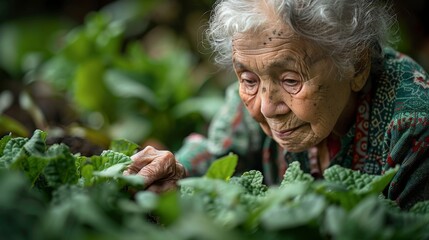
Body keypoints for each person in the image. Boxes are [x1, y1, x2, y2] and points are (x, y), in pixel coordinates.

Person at [123, 0, 429, 209]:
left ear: (357, 66)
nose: (267, 107)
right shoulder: (254, 93)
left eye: (291, 80)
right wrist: (177, 171)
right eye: (248, 78)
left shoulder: (414, 129)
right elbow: (219, 156)